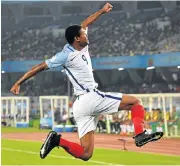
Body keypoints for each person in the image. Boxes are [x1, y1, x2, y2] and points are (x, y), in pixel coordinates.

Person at [10, 3, 163, 161]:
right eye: (84, 34)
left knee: (86, 154)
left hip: (80, 106)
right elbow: (39, 67)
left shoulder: (77, 48)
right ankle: (139, 134)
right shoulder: (65, 55)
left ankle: (57, 140)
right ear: (77, 39)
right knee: (135, 103)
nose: (86, 35)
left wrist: (102, 11)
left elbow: (86, 22)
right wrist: (19, 82)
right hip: (91, 97)